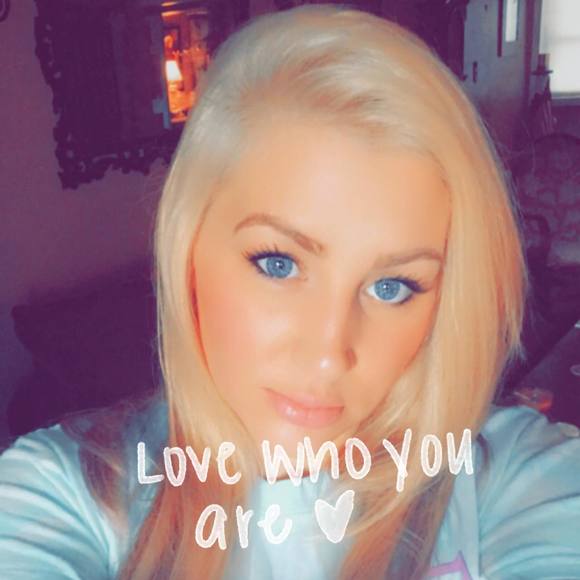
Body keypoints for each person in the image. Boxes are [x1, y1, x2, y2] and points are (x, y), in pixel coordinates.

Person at [1, 5, 579, 579]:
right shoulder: (58, 493)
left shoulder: (517, 477)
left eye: (391, 286)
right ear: (188, 249)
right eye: (278, 264)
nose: (328, 353)